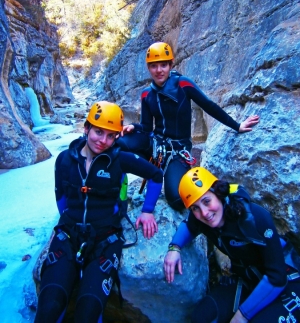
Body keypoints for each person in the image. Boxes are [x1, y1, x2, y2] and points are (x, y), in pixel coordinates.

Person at [34, 101, 163, 323]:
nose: (103, 141)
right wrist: (69, 220)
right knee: (48, 308)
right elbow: (61, 197)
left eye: (111, 136)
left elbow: (156, 175)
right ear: (86, 129)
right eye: (98, 132)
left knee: (88, 313)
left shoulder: (120, 159)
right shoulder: (64, 160)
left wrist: (148, 210)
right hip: (68, 236)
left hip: (105, 239)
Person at [118, 42, 259, 211]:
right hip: (155, 145)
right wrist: (134, 127)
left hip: (178, 150)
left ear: (171, 65)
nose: (159, 70)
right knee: (117, 143)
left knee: (178, 200)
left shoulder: (183, 85)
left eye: (163, 65)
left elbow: (208, 106)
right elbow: (147, 128)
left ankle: (173, 175)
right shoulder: (147, 93)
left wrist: (237, 126)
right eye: (154, 66)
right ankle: (122, 185)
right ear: (149, 68)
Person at [164, 167, 300, 322]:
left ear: (218, 193)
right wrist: (174, 248)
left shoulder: (255, 218)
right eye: (195, 208)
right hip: (248, 280)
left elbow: (277, 278)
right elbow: (188, 226)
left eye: (207, 201)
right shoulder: (201, 217)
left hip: (285, 280)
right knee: (201, 317)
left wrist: (242, 316)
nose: (205, 213)